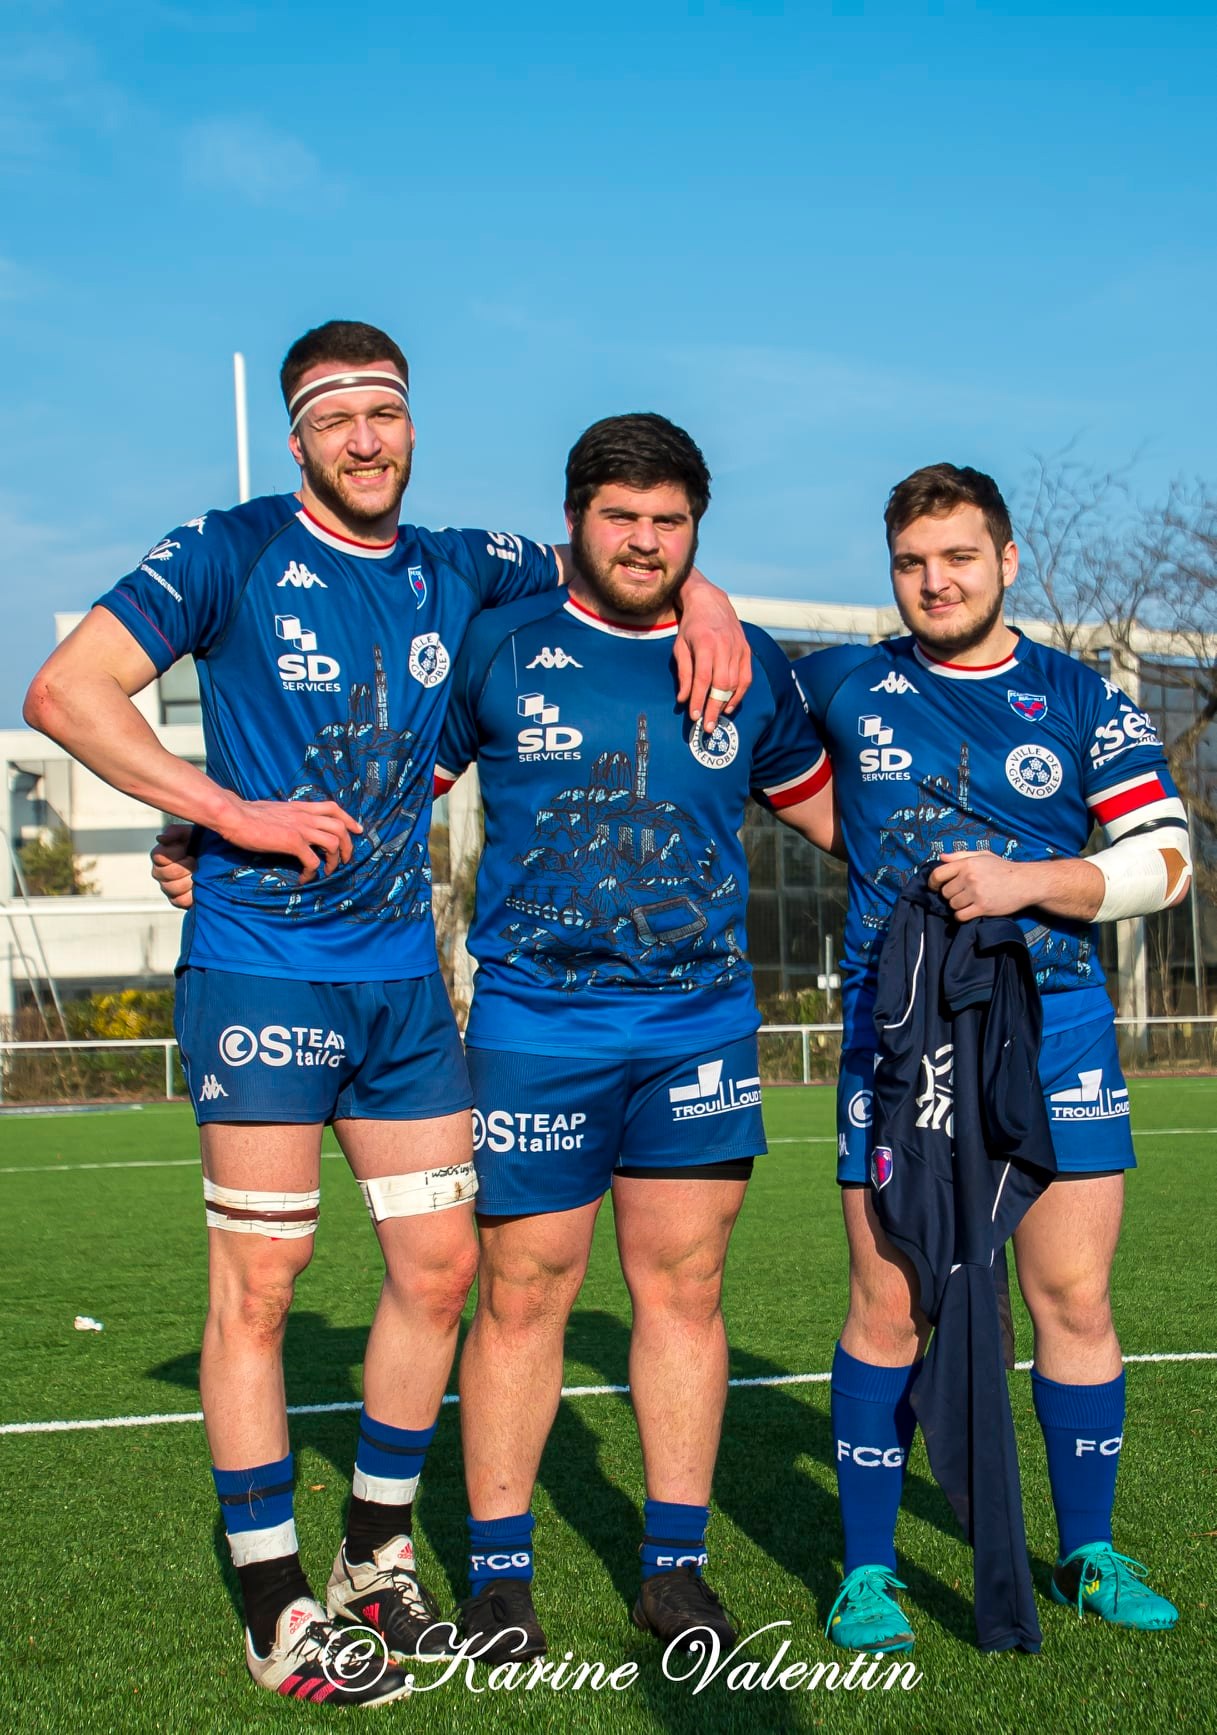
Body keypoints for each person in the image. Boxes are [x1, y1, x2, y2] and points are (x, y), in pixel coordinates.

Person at [22, 323, 747, 1704]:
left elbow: (625, 553)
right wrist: (217, 810)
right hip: (262, 967)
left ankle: (373, 1554)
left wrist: (702, 599)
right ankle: (273, 1600)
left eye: (387, 412)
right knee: (265, 1281)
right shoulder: (227, 548)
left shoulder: (461, 564)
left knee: (438, 1271)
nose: (366, 436)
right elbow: (64, 690)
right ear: (298, 438)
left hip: (406, 980)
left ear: (414, 427)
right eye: (336, 415)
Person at [432, 413, 836, 1661]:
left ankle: (674, 1570)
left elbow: (838, 820)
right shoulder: (497, 642)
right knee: (520, 1292)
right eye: (622, 517)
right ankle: (500, 1577)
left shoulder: (746, 661)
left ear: (696, 529)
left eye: (670, 523)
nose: (645, 541)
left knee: (683, 1290)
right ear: (573, 517)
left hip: (696, 1024)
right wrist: (219, 840)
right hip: (535, 1023)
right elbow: (392, 790)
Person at [794, 463, 1191, 1653]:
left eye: (957, 557)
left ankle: (1086, 1553)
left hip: (1053, 1025)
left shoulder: (1075, 698)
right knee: (890, 1301)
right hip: (899, 1038)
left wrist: (1029, 883)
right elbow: (745, 735)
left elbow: (1166, 858)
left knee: (1070, 1295)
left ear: (1005, 561)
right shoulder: (844, 681)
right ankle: (866, 1572)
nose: (934, 581)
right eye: (911, 562)